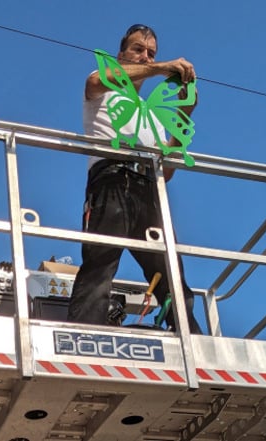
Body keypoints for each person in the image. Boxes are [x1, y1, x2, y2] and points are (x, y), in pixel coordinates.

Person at [66, 24, 203, 334]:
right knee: (100, 266)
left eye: (151, 53)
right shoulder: (104, 90)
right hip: (111, 181)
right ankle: (83, 338)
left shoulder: (151, 115)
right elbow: (95, 79)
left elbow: (166, 171)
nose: (145, 56)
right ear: (121, 55)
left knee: (171, 275)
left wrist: (184, 115)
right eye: (138, 49)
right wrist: (161, 67)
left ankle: (193, 342)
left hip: (148, 188)